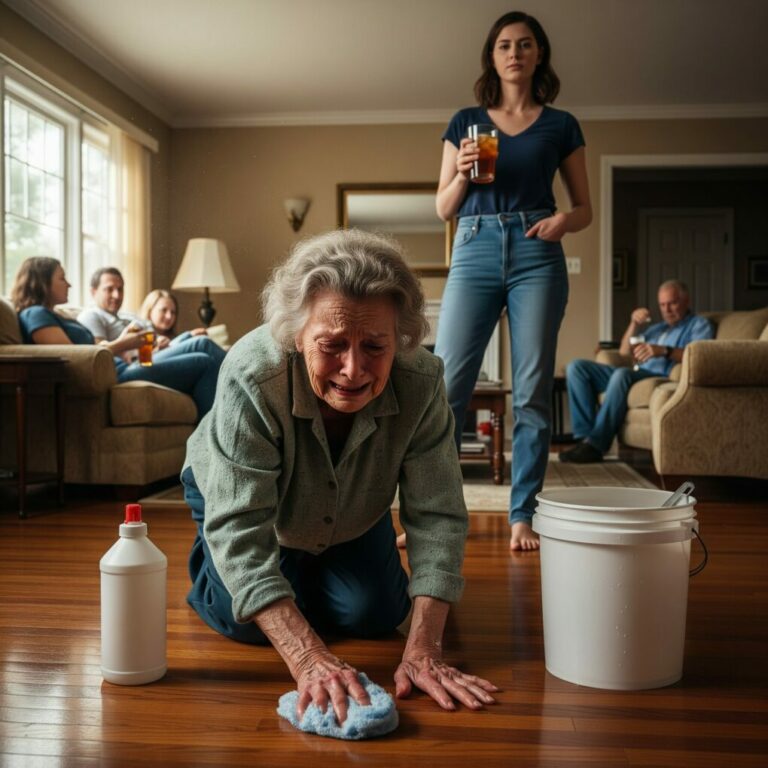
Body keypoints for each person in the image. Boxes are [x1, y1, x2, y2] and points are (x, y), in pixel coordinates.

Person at [183, 229, 498, 726]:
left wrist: (425, 648)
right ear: (296, 336)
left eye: (375, 346)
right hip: (242, 503)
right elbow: (240, 526)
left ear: (401, 339)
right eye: (331, 345)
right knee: (243, 621)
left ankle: (303, 571)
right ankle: (225, 566)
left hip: (353, 508)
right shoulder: (252, 372)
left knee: (374, 615)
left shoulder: (422, 381)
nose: (353, 370)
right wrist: (306, 655)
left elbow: (438, 513)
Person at [434, 11, 592, 551]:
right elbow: (443, 208)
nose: (514, 53)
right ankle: (436, 515)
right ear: (492, 56)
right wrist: (462, 172)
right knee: (447, 388)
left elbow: (585, 207)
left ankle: (523, 513)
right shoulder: (465, 122)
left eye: (524, 44)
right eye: (504, 45)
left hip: (536, 251)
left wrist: (563, 221)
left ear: (538, 53)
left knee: (530, 393)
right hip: (474, 244)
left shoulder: (561, 125)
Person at [12, 257, 223, 419]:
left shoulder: (58, 316)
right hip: (117, 373)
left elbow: (89, 350)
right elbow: (75, 358)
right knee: (203, 357)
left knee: (202, 346)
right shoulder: (35, 314)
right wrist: (125, 343)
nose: (69, 284)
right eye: (62, 278)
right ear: (42, 282)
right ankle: (214, 442)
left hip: (122, 365)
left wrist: (127, 345)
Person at [560, 279, 714, 463]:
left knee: (622, 374)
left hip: (660, 377)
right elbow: (625, 352)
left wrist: (664, 350)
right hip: (637, 373)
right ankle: (584, 440)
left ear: (686, 301)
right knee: (577, 367)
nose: (667, 310)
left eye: (672, 303)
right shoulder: (658, 328)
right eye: (662, 305)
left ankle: (596, 444)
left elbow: (699, 355)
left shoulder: (699, 324)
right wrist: (633, 323)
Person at [78, 268, 225, 367]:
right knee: (202, 343)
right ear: (93, 291)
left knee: (203, 358)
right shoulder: (92, 315)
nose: (117, 295)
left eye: (120, 289)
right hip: (137, 363)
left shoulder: (127, 316)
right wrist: (128, 343)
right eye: (109, 289)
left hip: (155, 353)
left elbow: (155, 341)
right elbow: (99, 355)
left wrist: (160, 341)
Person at [138, 288, 208, 349]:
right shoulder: (140, 335)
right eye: (163, 310)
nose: (169, 316)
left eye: (173, 312)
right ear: (150, 311)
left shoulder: (172, 338)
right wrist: (189, 335)